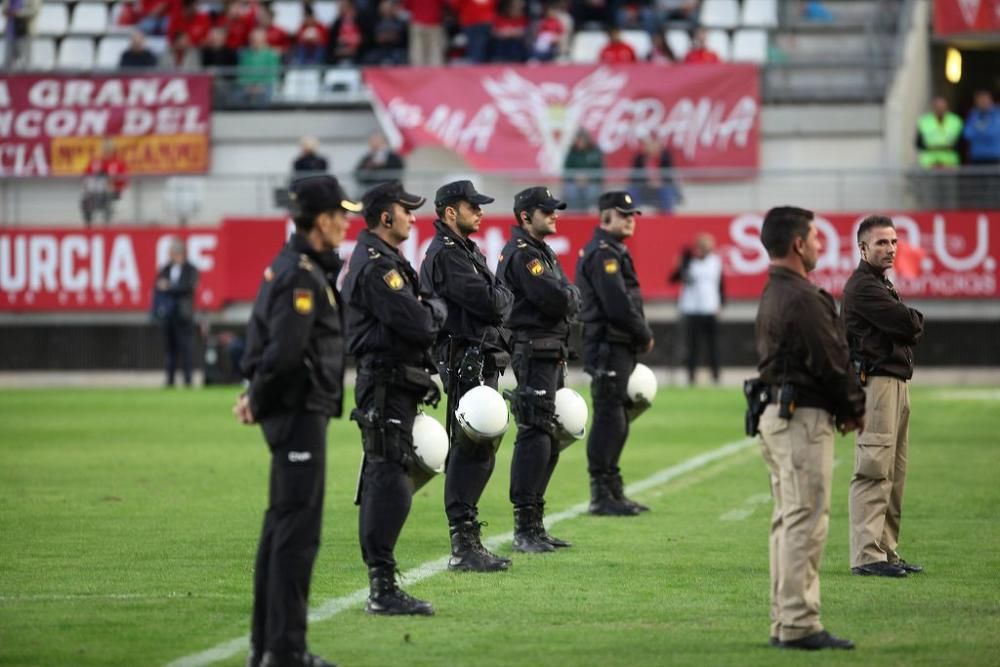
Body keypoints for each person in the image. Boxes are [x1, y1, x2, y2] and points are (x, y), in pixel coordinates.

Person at [235, 175, 359, 667]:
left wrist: (254, 395)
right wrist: (257, 397)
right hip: (298, 414)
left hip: (294, 411)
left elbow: (265, 343)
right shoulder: (302, 276)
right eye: (341, 215)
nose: (347, 224)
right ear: (321, 220)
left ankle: (267, 646)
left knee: (280, 526)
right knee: (296, 534)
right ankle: (285, 650)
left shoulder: (294, 267)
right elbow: (284, 352)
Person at [754, 206, 865, 651]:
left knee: (788, 519)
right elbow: (831, 360)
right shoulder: (802, 296)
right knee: (805, 520)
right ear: (798, 244)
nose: (821, 245)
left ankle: (786, 619)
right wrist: (854, 406)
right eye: (816, 237)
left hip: (780, 414)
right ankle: (799, 622)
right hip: (800, 417)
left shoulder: (774, 291)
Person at [341, 181, 447, 615]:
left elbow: (420, 315)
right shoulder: (376, 266)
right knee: (388, 479)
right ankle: (382, 589)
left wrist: (427, 310)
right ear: (386, 217)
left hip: (395, 381)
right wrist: (434, 310)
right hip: (384, 383)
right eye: (407, 210)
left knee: (390, 474)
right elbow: (421, 323)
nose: (414, 217)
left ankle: (383, 584)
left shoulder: (386, 259)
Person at [419, 180, 514, 572]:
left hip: (481, 355)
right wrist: (501, 301)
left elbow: (499, 299)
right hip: (465, 359)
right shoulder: (447, 254)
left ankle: (468, 536)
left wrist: (501, 301)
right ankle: (463, 542)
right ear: (449, 212)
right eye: (471, 205)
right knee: (470, 447)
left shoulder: (465, 250)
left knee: (482, 447)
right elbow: (493, 301)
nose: (480, 211)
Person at [496, 187, 579, 552]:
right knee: (535, 432)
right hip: (535, 349)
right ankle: (524, 527)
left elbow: (566, 296)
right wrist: (567, 294)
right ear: (525, 215)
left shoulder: (540, 252)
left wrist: (567, 294)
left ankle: (535, 523)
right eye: (547, 210)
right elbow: (558, 298)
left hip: (551, 349)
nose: (555, 215)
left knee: (550, 433)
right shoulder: (523, 254)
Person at [843, 215, 925, 578]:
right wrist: (911, 321)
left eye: (893, 242)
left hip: (895, 383)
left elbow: (905, 324)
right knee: (874, 467)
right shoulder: (863, 286)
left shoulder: (880, 283)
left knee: (895, 470)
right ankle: (866, 554)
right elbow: (909, 324)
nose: (890, 249)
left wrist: (908, 321)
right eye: (880, 243)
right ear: (862, 248)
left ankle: (887, 549)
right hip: (876, 384)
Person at [575, 191, 654, 516]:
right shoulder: (602, 253)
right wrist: (643, 332)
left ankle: (612, 488)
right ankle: (601, 493)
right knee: (610, 417)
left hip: (617, 343)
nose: (630, 220)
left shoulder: (613, 250)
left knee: (619, 416)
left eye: (632, 214)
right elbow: (617, 303)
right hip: (607, 343)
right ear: (606, 216)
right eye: (624, 214)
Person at [671, 233, 723, 385]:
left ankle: (715, 376)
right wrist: (681, 266)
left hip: (710, 308)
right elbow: (673, 278)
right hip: (691, 309)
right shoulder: (689, 262)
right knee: (692, 346)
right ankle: (691, 376)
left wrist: (720, 304)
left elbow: (720, 285)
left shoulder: (715, 262)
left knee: (712, 346)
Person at [155, 238, 200, 387]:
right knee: (170, 349)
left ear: (179, 253)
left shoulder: (191, 269)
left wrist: (170, 288)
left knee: (186, 348)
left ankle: (188, 380)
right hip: (168, 315)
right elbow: (158, 285)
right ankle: (170, 380)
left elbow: (187, 288)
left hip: (184, 315)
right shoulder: (165, 268)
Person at [962, 90, 1000, 208]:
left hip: (994, 157)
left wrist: (979, 130)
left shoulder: (997, 114)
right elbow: (967, 134)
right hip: (977, 157)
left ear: (990, 100)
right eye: (980, 100)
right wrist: (983, 130)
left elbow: (994, 133)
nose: (983, 102)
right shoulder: (973, 115)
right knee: (978, 188)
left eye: (985, 99)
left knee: (995, 188)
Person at [80, 140, 128, 226]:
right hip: (95, 192)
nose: (107, 151)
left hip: (113, 193)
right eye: (105, 149)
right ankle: (88, 225)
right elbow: (85, 176)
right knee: (85, 199)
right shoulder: (95, 162)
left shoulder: (118, 163)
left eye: (109, 149)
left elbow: (124, 180)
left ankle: (107, 225)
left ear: (113, 149)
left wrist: (114, 184)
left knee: (108, 199)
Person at [629, 139, 682, 213]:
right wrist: (647, 182)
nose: (652, 148)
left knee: (666, 191)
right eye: (650, 146)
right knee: (631, 191)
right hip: (644, 187)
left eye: (655, 146)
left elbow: (669, 176)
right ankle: (631, 215)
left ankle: (668, 216)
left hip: (662, 186)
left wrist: (660, 182)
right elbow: (634, 177)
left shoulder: (666, 158)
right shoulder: (639, 158)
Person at [238, 27, 282, 105]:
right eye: (252, 39)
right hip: (247, 86)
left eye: (257, 39)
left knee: (265, 95)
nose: (254, 41)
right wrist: (249, 86)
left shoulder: (271, 54)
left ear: (264, 39)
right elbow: (241, 74)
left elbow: (272, 74)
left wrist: (260, 86)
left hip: (266, 86)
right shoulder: (245, 54)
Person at [562, 129, 604, 211]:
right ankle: (574, 214)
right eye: (578, 140)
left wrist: (589, 178)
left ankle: (590, 214)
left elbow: (600, 171)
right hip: (574, 182)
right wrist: (575, 177)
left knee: (592, 191)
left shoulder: (595, 151)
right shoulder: (572, 152)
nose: (580, 143)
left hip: (592, 182)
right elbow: (566, 170)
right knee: (571, 191)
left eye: (581, 140)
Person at [406, 0, 446, 66]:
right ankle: (436, 73)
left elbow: (407, 6)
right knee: (435, 53)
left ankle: (418, 74)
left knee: (418, 52)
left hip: (418, 22)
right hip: (433, 22)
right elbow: (444, 4)